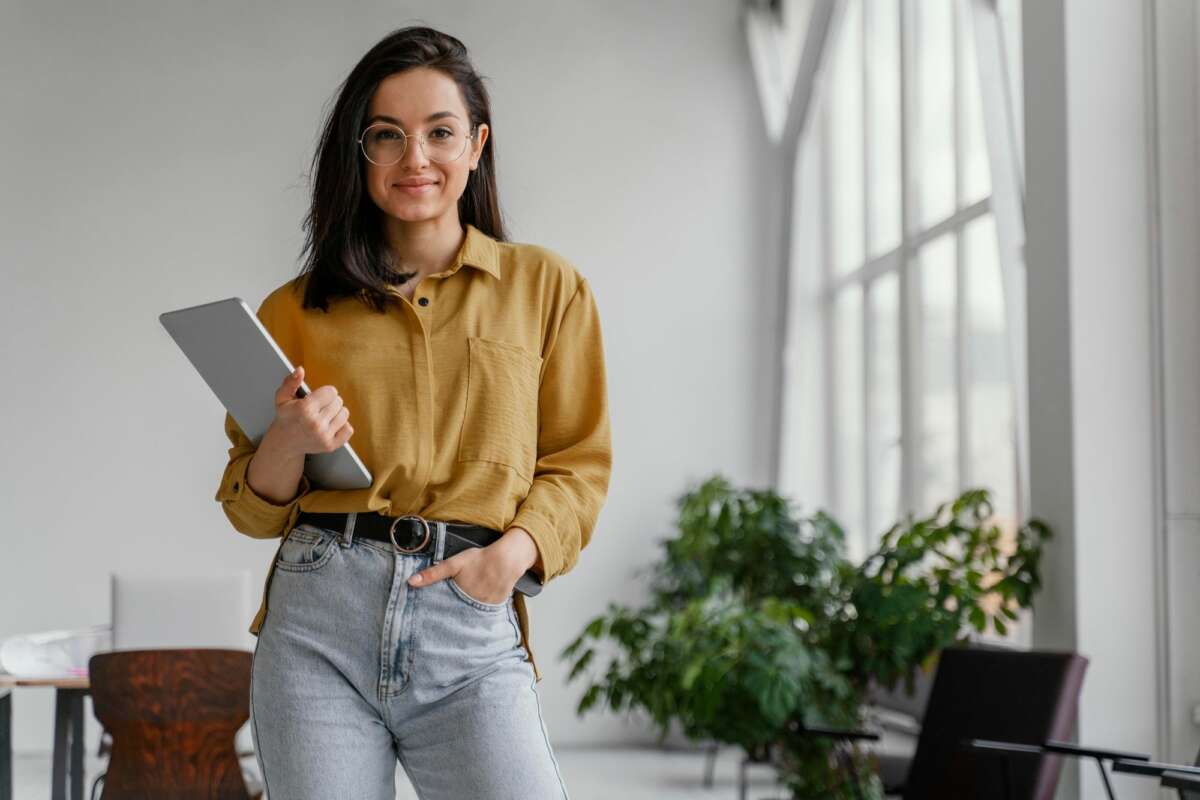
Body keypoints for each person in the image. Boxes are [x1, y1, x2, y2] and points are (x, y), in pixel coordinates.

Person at [213, 25, 611, 799]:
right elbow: (252, 510)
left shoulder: (547, 289)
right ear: (359, 154)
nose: (415, 159)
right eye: (386, 136)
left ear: (477, 144)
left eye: (439, 133)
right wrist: (288, 443)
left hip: (468, 617)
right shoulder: (294, 311)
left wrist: (511, 556)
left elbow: (577, 463)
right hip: (316, 623)